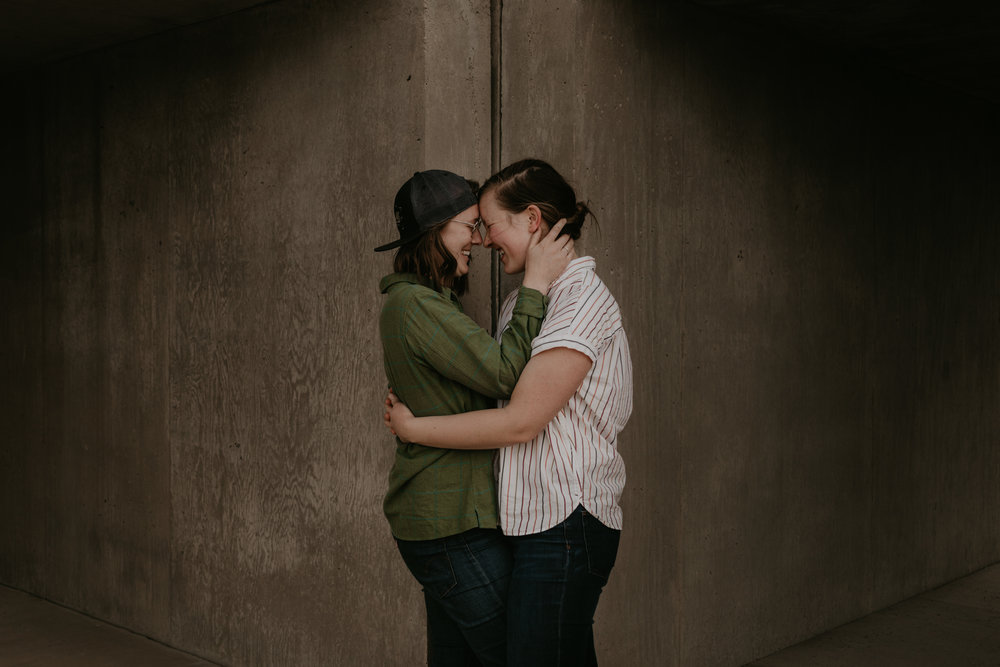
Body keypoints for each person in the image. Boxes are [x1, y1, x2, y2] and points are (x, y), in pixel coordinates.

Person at [385, 159, 633, 666]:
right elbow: (504, 383)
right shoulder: (519, 303)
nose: (481, 239)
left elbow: (520, 419)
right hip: (526, 521)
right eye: (471, 226)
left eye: (488, 224)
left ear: (533, 220)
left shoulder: (581, 300)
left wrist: (414, 427)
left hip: (568, 516)